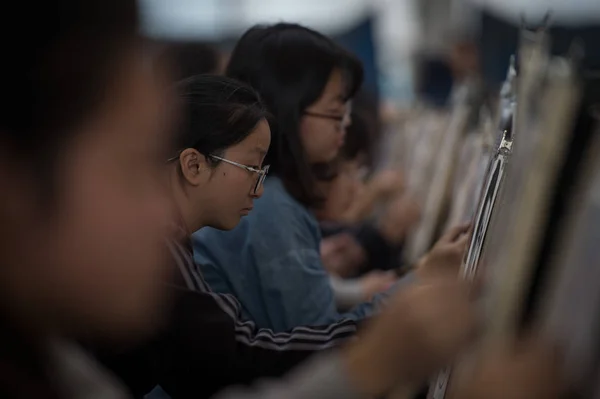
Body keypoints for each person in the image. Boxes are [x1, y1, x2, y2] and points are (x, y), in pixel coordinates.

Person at [193, 23, 467, 332]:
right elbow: (321, 346)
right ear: (290, 111)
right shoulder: (270, 206)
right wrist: (421, 280)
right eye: (335, 114)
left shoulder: (265, 196)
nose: (345, 126)